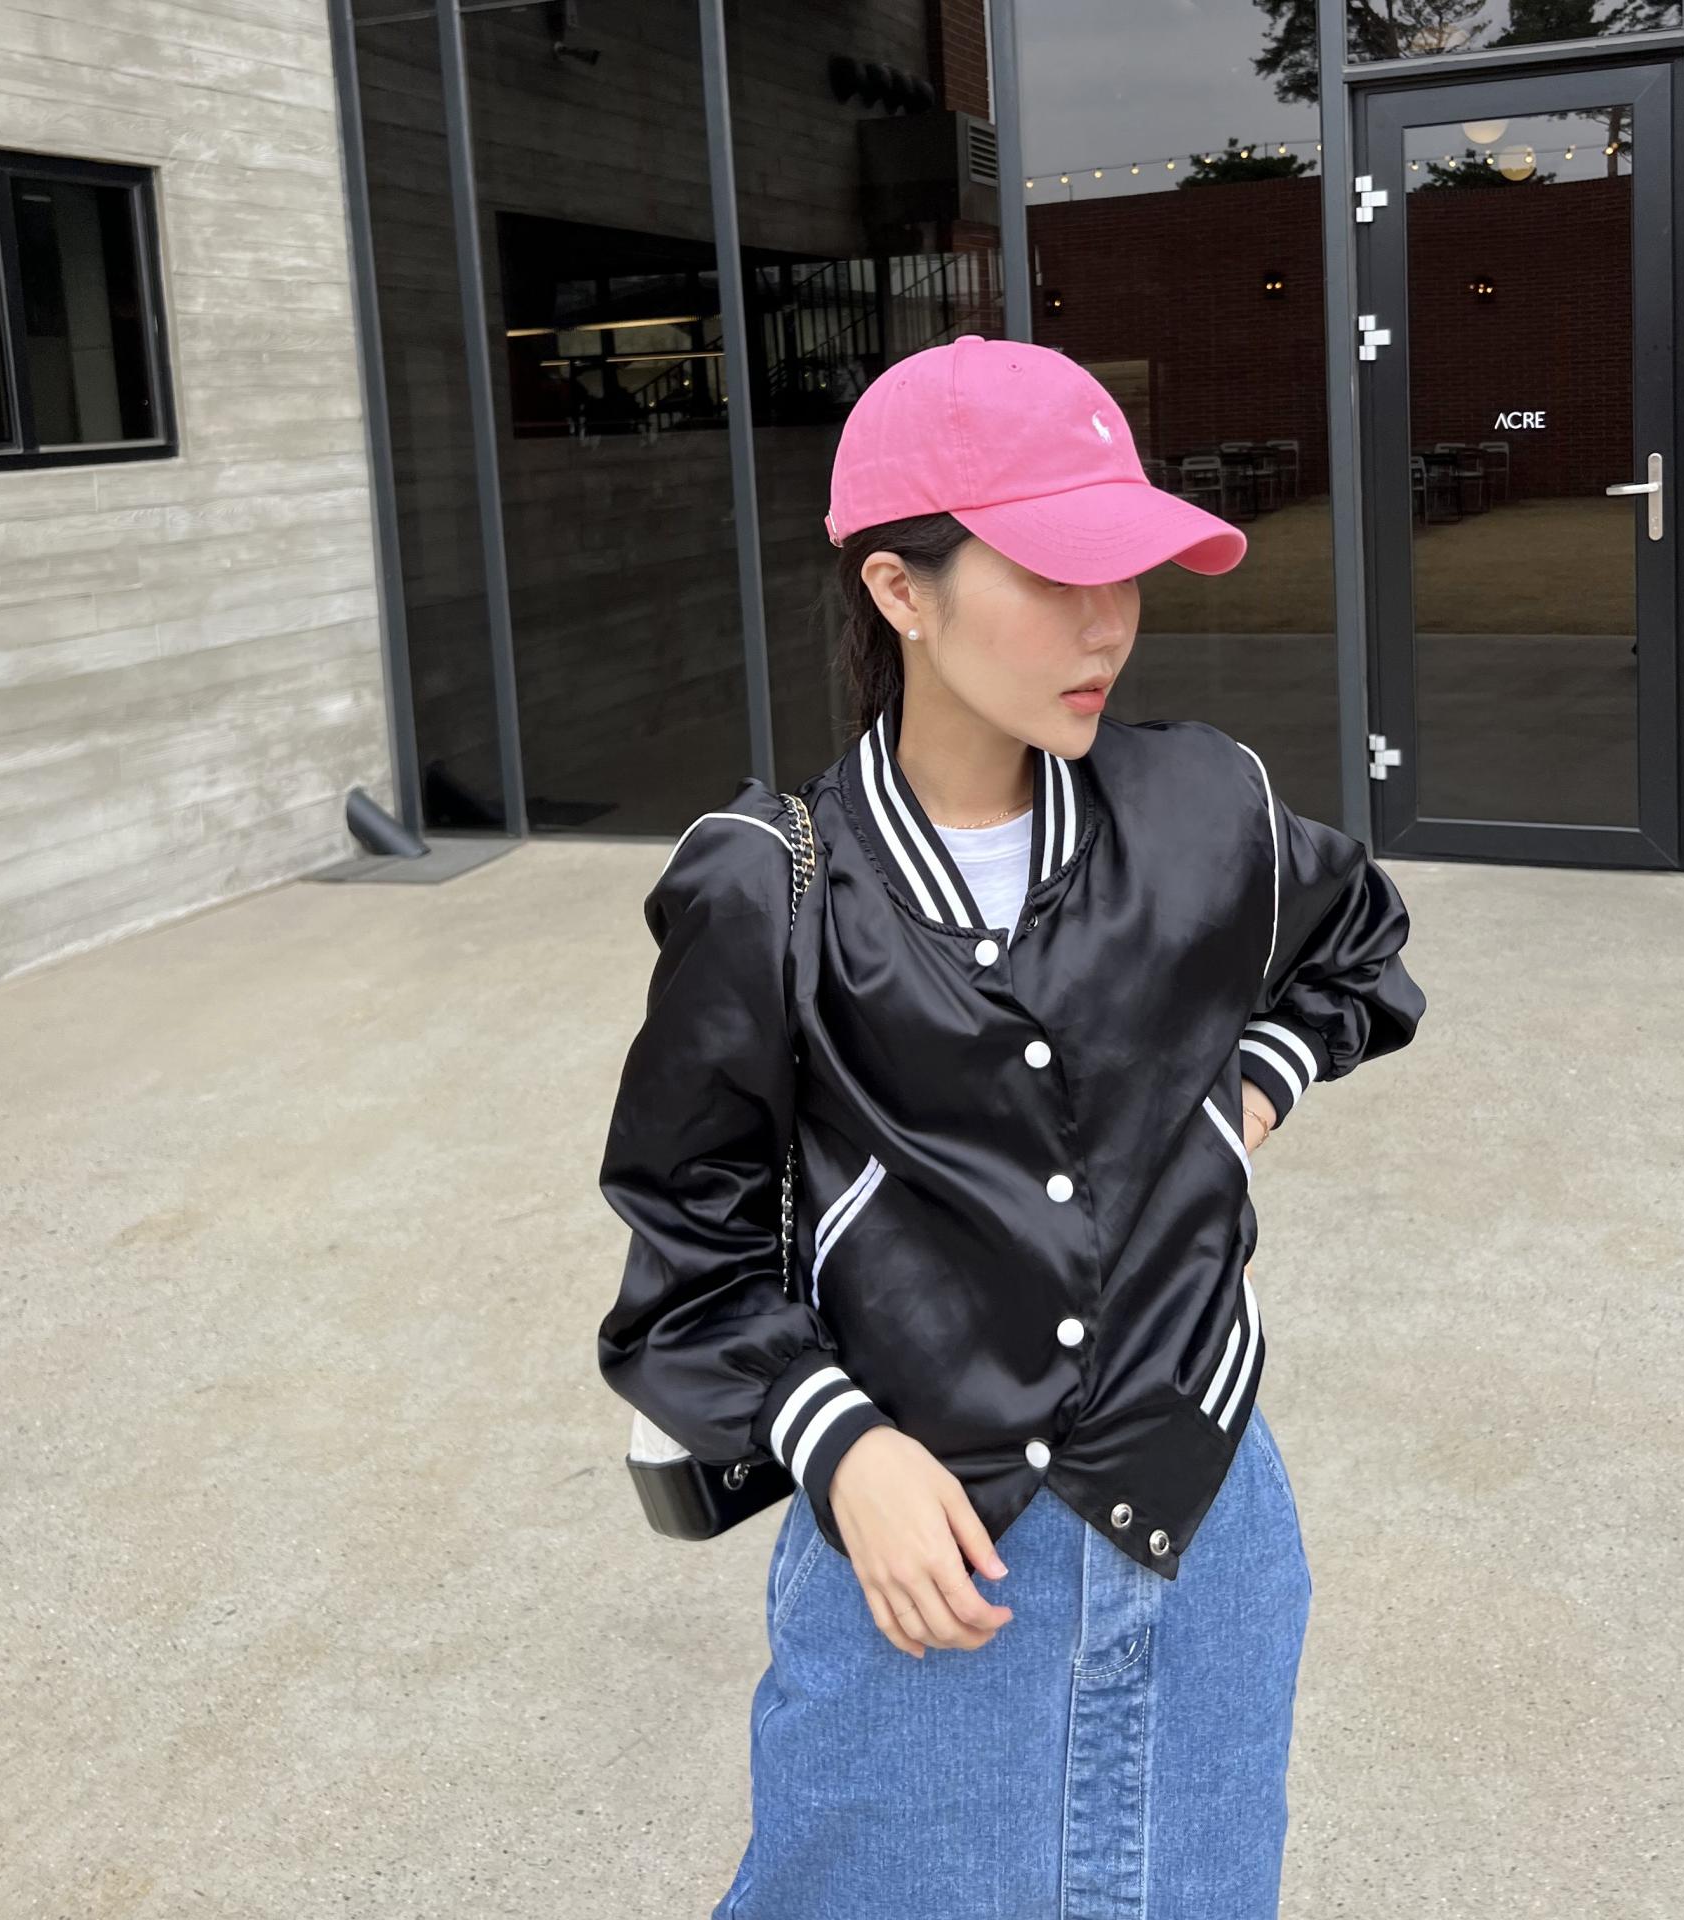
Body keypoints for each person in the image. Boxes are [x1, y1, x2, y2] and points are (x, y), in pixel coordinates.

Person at [596, 335, 1427, 1919]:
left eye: (1129, 569)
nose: (1110, 620)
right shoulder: (766, 890)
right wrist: (840, 1446)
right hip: (928, 1570)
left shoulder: (1206, 809)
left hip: (1206, 1524)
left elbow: (1360, 948)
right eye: (1055, 571)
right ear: (899, 590)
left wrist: (1247, 1091)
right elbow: (685, 1268)